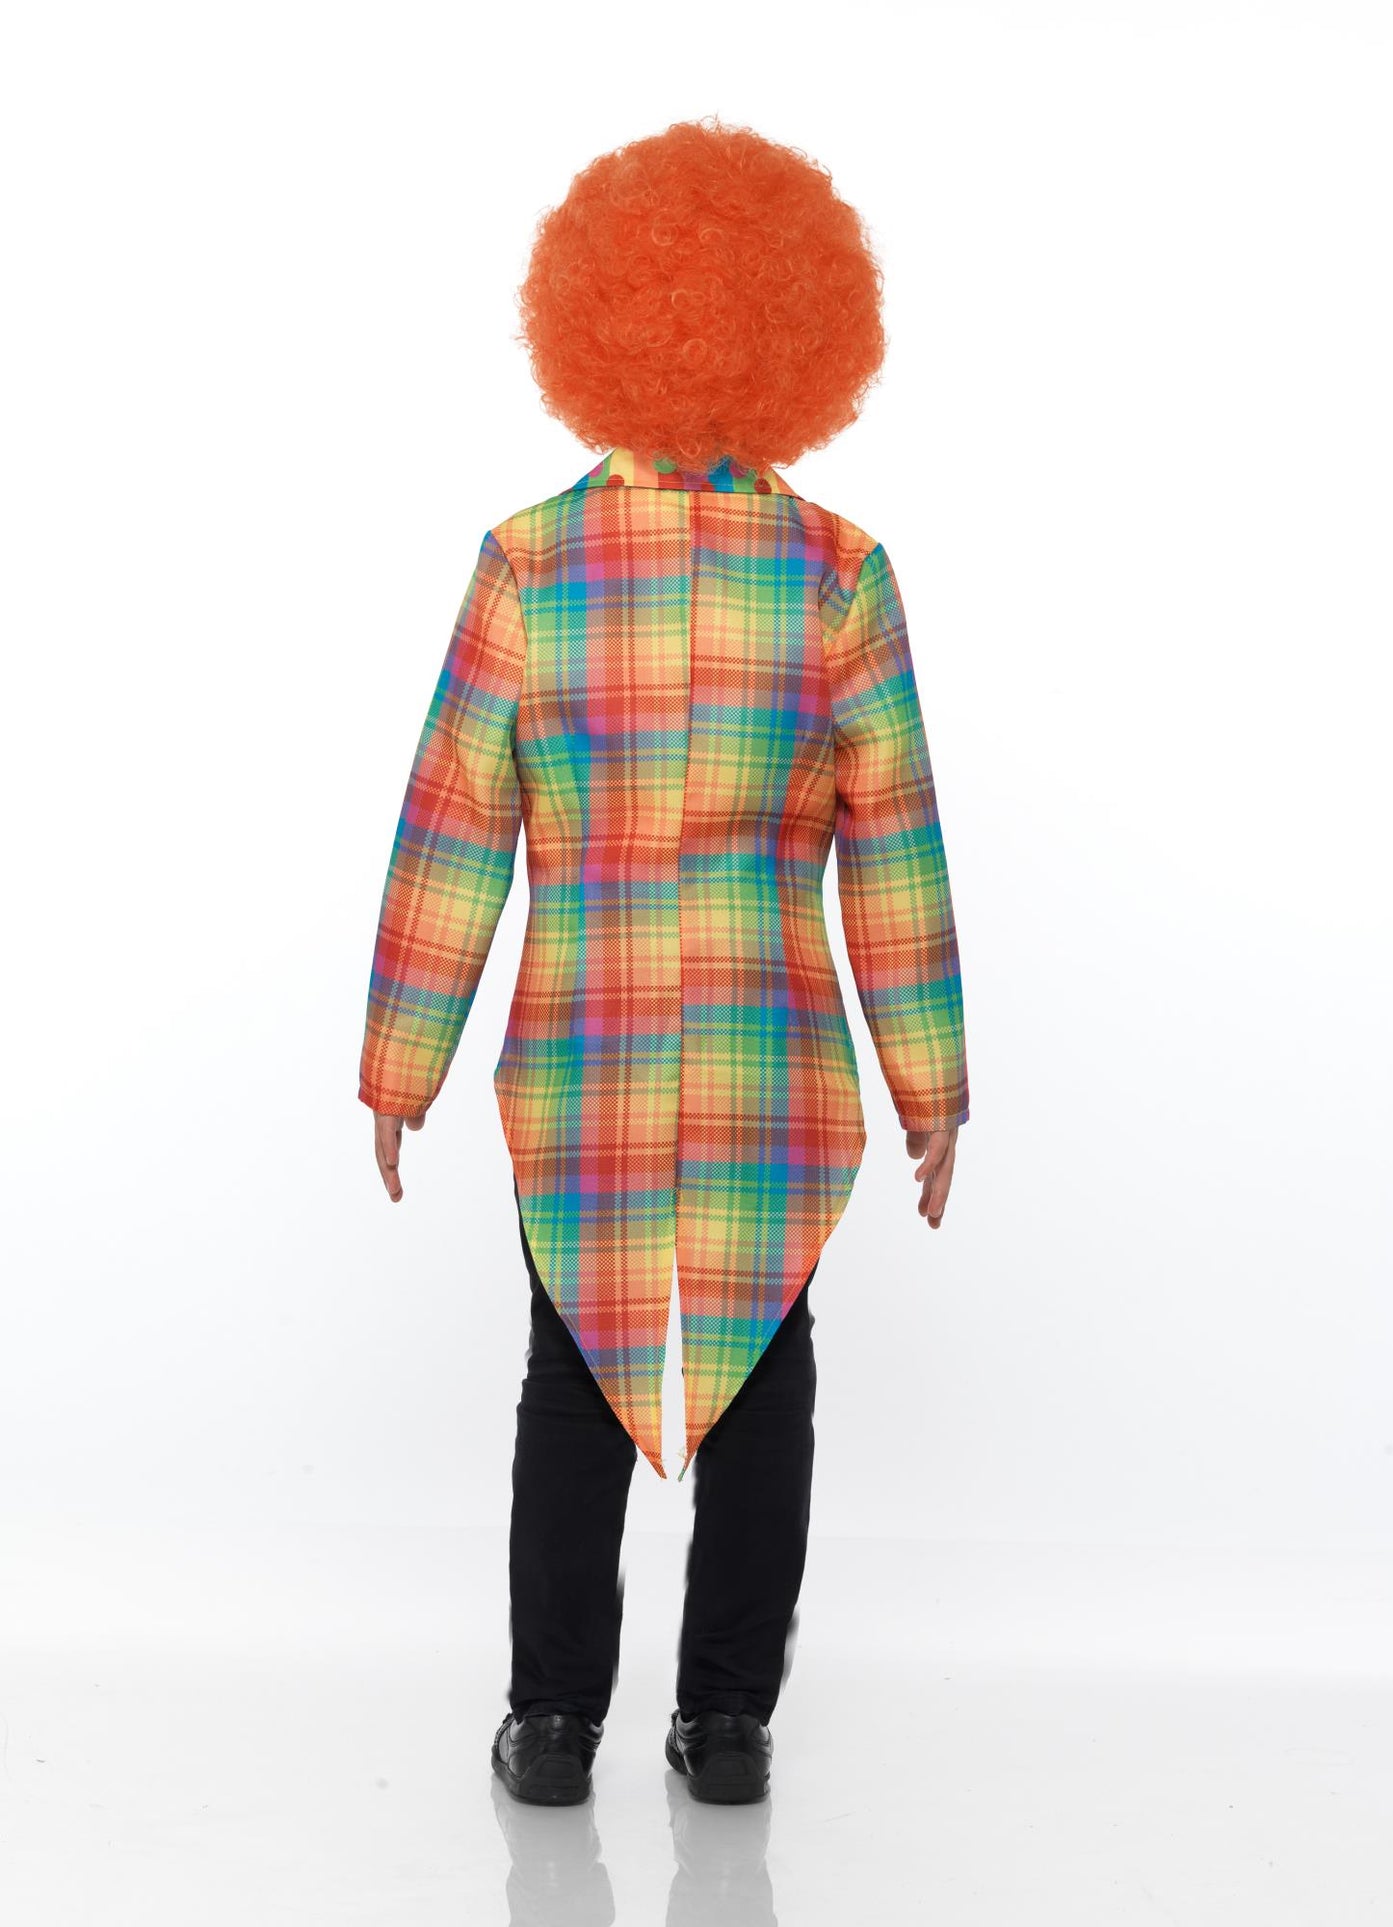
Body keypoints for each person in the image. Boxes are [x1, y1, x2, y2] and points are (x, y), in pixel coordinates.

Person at [359, 116, 970, 1807]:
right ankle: (728, 1724)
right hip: (777, 1056)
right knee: (765, 1373)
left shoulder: (527, 565)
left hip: (581, 1055)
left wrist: (399, 1064)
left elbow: (454, 828)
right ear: (807, 334)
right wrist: (932, 1084)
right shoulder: (839, 573)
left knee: (570, 1372)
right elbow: (895, 850)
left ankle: (553, 1721)